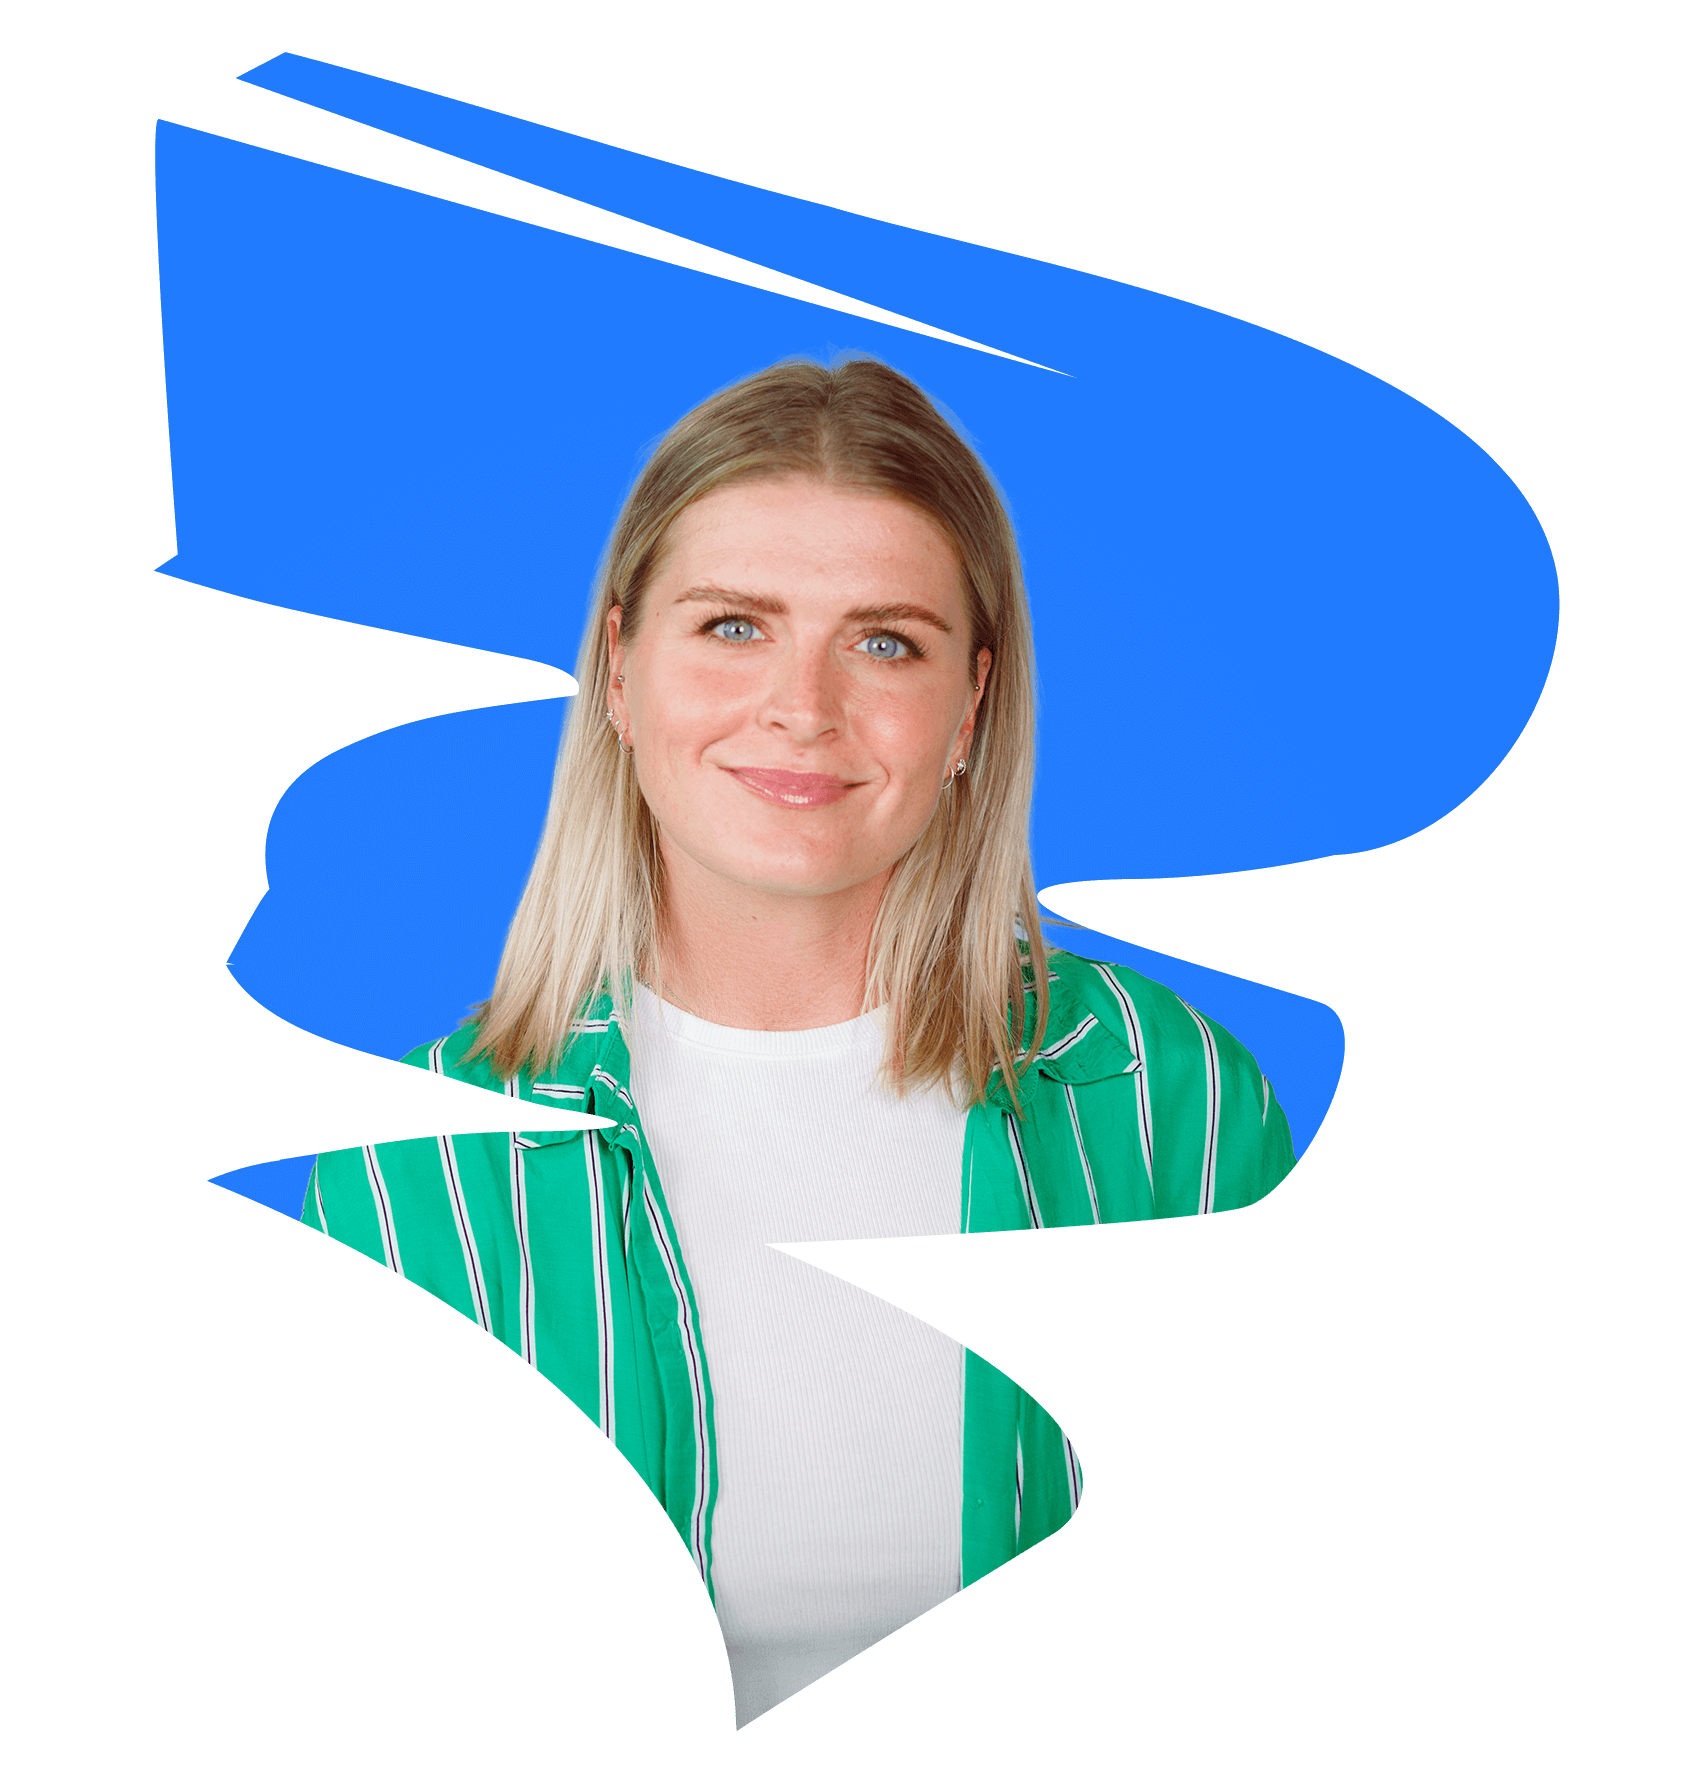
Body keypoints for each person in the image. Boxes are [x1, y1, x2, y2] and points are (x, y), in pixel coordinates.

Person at [301, 350, 1296, 1728]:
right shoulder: (408, 1169)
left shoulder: (1167, 1101)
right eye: (733, 626)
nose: (804, 708)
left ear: (970, 706)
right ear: (618, 668)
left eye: (884, 642)